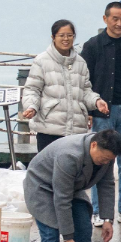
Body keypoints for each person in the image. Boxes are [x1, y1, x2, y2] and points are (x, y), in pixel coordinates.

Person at [23, 130, 121, 242]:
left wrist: (108, 219)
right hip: (42, 187)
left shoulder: (107, 154)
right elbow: (62, 199)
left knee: (84, 228)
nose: (105, 162)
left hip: (71, 187)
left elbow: (106, 184)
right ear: (93, 145)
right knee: (51, 233)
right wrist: (68, 237)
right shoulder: (69, 155)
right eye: (104, 158)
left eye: (109, 160)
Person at [81, 2, 121, 227]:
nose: (119, 23)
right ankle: (98, 211)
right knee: (100, 161)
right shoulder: (93, 46)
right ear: (105, 19)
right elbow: (84, 81)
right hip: (102, 111)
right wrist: (89, 111)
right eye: (115, 19)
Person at [20, 20, 108, 153]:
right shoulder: (41, 61)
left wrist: (96, 101)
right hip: (49, 128)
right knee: (49, 169)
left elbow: (85, 91)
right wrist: (31, 106)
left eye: (70, 35)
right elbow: (32, 89)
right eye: (61, 35)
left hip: (76, 130)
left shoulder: (81, 63)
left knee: (73, 170)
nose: (66, 39)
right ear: (53, 37)